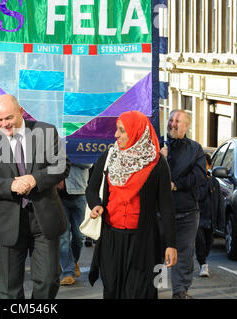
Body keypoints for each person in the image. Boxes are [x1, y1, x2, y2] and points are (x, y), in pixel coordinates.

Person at [0, 94, 70, 299]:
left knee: (48, 280)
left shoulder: (45, 131)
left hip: (43, 219)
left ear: (20, 112)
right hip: (9, 222)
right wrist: (10, 185)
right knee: (9, 288)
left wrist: (34, 180)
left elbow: (62, 166)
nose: (4, 124)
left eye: (8, 118)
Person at [86, 110, 177, 299]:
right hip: (112, 237)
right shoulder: (109, 157)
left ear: (137, 132)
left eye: (122, 130)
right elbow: (92, 189)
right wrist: (96, 205)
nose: (116, 135)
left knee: (139, 292)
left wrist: (170, 244)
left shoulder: (158, 164)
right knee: (112, 291)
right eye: (116, 130)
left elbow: (167, 206)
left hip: (143, 241)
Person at [161, 109, 207, 299]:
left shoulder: (195, 149)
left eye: (177, 121)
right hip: (161, 212)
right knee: (157, 251)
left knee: (184, 254)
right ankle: (156, 286)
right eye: (171, 120)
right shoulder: (158, 147)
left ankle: (180, 291)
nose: (172, 123)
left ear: (186, 126)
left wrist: (176, 185)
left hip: (187, 212)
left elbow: (199, 176)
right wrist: (161, 159)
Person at [56, 163, 90, 285]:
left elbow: (88, 164)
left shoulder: (80, 144)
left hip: (80, 192)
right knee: (63, 238)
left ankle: (74, 261)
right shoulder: (56, 145)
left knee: (79, 236)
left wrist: (67, 158)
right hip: (59, 195)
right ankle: (68, 272)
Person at [195, 153, 223, 278]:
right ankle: (203, 264)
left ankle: (203, 259)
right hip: (198, 217)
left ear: (209, 166)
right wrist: (203, 181)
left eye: (205, 165)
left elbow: (219, 201)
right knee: (200, 241)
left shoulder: (214, 182)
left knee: (209, 242)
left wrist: (220, 219)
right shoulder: (196, 181)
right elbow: (198, 196)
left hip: (211, 218)